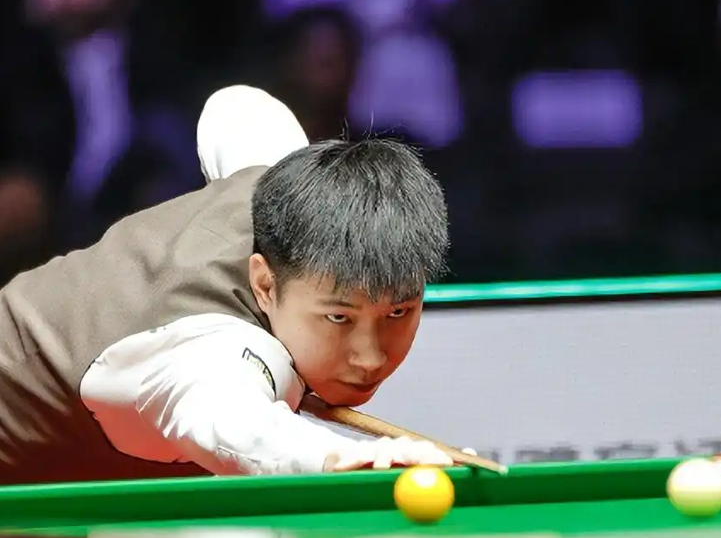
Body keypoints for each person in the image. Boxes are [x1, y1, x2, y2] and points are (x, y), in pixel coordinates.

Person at [0, 85, 454, 484]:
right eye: (338, 317)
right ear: (265, 285)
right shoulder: (206, 352)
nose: (369, 357)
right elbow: (242, 430)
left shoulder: (282, 185)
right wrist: (348, 459)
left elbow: (238, 107)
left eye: (398, 312)